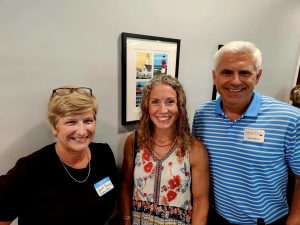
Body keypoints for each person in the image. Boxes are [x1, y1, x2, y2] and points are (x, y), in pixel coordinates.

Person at [192, 41, 300, 225]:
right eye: (227, 72)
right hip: (214, 218)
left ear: (258, 76)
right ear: (214, 76)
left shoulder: (290, 119)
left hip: (265, 222)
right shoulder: (202, 115)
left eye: (245, 73)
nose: (235, 81)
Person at [0, 86, 118, 225]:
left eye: (87, 121)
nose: (82, 131)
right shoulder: (30, 169)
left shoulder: (103, 154)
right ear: (54, 128)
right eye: (71, 122)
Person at [120, 75, 209, 225]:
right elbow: (125, 186)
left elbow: (201, 203)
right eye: (155, 102)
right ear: (146, 107)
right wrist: (127, 221)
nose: (163, 110)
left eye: (170, 102)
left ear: (179, 106)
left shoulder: (194, 148)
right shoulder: (134, 142)